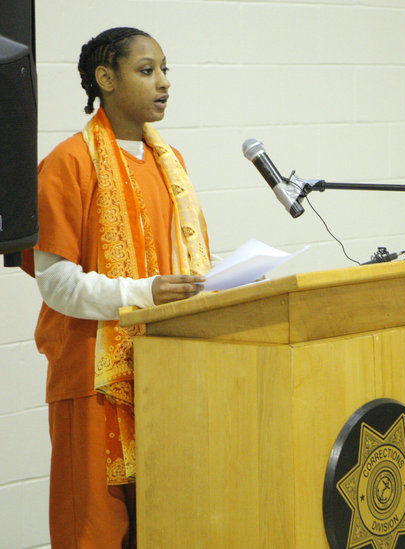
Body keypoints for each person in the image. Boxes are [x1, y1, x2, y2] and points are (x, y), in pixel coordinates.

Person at [22, 27, 210, 548]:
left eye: (166, 70)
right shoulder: (68, 163)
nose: (164, 82)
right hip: (94, 377)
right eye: (147, 70)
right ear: (105, 79)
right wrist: (148, 292)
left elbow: (177, 267)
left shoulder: (171, 164)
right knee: (97, 532)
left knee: (163, 528)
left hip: (166, 372)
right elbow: (56, 284)